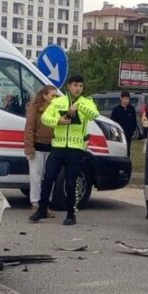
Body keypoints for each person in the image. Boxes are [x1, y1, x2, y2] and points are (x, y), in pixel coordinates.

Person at [30, 75, 99, 225]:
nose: (78, 88)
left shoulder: (88, 102)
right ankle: (42, 209)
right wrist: (58, 121)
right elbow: (45, 118)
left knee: (71, 182)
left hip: (76, 149)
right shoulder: (57, 102)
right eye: (75, 85)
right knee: (48, 178)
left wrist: (79, 106)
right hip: (58, 148)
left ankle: (71, 214)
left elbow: (95, 114)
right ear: (68, 86)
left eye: (80, 86)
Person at [23, 85, 58, 210]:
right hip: (37, 147)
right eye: (52, 95)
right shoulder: (35, 108)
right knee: (36, 177)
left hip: (51, 147)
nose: (54, 98)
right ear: (44, 96)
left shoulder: (56, 109)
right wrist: (29, 148)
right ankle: (36, 203)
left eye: (56, 96)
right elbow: (29, 128)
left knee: (48, 177)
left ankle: (45, 204)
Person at [110, 91, 139, 157]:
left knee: (127, 149)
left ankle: (127, 160)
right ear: (121, 98)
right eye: (125, 98)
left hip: (128, 134)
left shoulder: (131, 109)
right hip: (119, 134)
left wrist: (131, 131)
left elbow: (134, 121)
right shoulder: (116, 110)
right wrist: (116, 134)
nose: (127, 100)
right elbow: (113, 123)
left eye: (128, 99)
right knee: (119, 149)